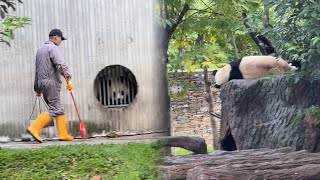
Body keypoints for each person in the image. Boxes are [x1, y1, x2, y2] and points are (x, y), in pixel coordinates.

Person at [27, 29, 74, 143]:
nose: (60, 42)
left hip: (42, 83)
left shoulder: (40, 50)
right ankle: (34, 128)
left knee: (58, 108)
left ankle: (63, 134)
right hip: (51, 83)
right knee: (56, 109)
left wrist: (37, 88)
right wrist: (68, 79)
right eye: (60, 39)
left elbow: (37, 70)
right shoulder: (53, 48)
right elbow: (61, 65)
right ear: (56, 37)